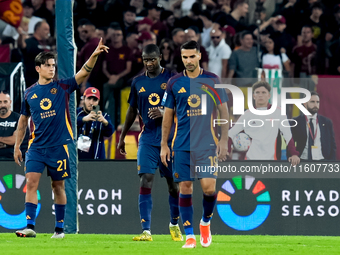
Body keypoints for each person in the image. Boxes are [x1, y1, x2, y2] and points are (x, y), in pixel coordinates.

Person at [13, 39, 109, 238]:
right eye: (47, 66)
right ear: (38, 68)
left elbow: (83, 72)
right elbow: (23, 121)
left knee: (58, 186)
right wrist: (17, 146)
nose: (51, 69)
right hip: (36, 147)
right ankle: (30, 226)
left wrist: (95, 54)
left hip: (59, 146)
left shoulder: (63, 86)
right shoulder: (29, 93)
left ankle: (59, 229)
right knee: (31, 182)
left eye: (53, 65)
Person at [160, 40, 229, 248]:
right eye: (184, 57)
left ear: (199, 56)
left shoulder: (212, 79)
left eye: (192, 56)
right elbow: (167, 117)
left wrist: (224, 140)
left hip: (207, 144)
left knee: (209, 189)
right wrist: (164, 144)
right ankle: (189, 235)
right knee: (185, 188)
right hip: (181, 145)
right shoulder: (174, 83)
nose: (188, 61)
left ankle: (205, 223)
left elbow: (224, 111)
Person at [117, 44, 182, 242]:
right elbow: (131, 110)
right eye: (146, 60)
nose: (149, 63)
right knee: (145, 178)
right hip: (147, 138)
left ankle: (174, 224)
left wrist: (165, 113)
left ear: (160, 57)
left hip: (170, 139)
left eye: (152, 59)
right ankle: (146, 231)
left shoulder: (172, 79)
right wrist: (122, 136)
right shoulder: (138, 82)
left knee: (173, 186)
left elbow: (185, 106)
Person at [228, 81, 300, 165]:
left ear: (269, 95)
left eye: (263, 92)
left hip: (272, 162)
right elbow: (231, 133)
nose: (260, 95)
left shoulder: (278, 112)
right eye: (257, 92)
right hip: (250, 161)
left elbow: (288, 135)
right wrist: (227, 151)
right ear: (254, 96)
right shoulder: (247, 115)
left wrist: (294, 154)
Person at [289, 91, 336, 160]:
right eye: (312, 102)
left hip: (322, 162)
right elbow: (290, 143)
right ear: (305, 104)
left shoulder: (326, 122)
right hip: (302, 161)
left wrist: (331, 163)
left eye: (317, 102)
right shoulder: (296, 122)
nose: (315, 104)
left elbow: (332, 145)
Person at [77, 87, 114, 159]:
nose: (91, 102)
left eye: (95, 100)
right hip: (77, 158)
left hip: (96, 158)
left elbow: (109, 132)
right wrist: (83, 119)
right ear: (84, 99)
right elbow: (68, 126)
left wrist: (105, 122)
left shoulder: (103, 116)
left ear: (98, 102)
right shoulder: (76, 113)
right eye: (89, 98)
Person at [0, 92, 29, 159]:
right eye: (0, 102)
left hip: (13, 161)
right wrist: (6, 143)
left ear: (10, 102)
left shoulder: (19, 119)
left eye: (5, 102)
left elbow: (15, 139)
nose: (2, 105)